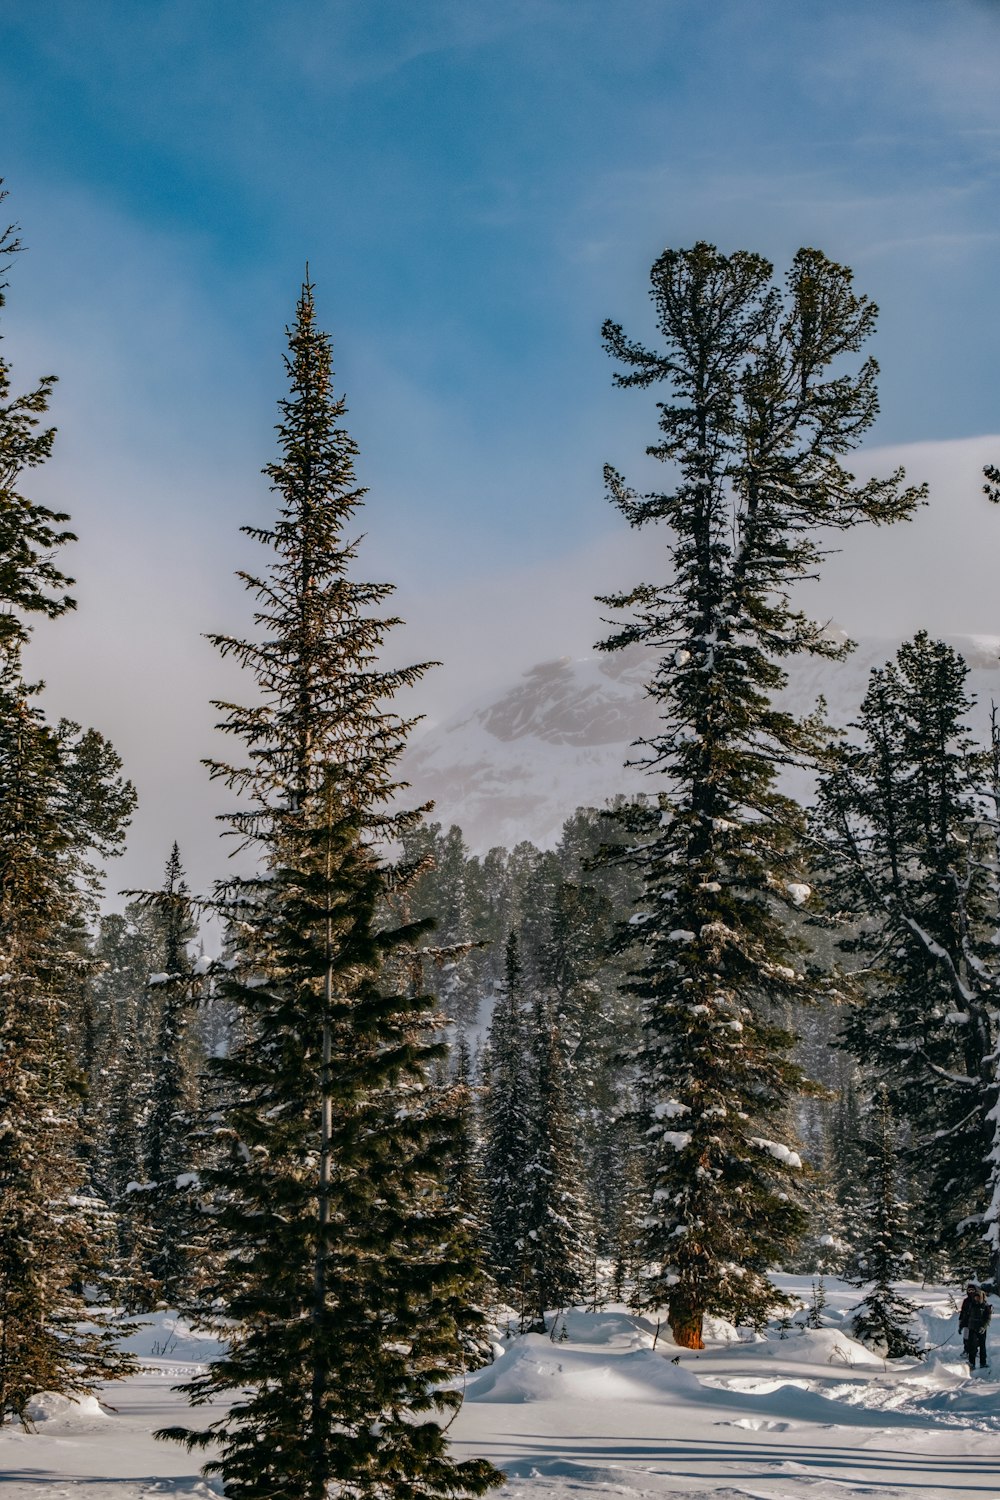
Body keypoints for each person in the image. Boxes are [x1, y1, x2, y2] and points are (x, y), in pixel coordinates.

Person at [959, 1283, 992, 1373]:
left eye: (978, 1297)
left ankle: (983, 1362)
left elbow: (988, 1318)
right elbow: (966, 1316)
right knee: (971, 1346)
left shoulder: (985, 1306)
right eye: (975, 1297)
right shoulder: (971, 1305)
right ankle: (971, 1363)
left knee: (982, 1346)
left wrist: (984, 1327)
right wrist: (961, 1325)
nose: (976, 1298)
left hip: (981, 1329)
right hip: (972, 1328)